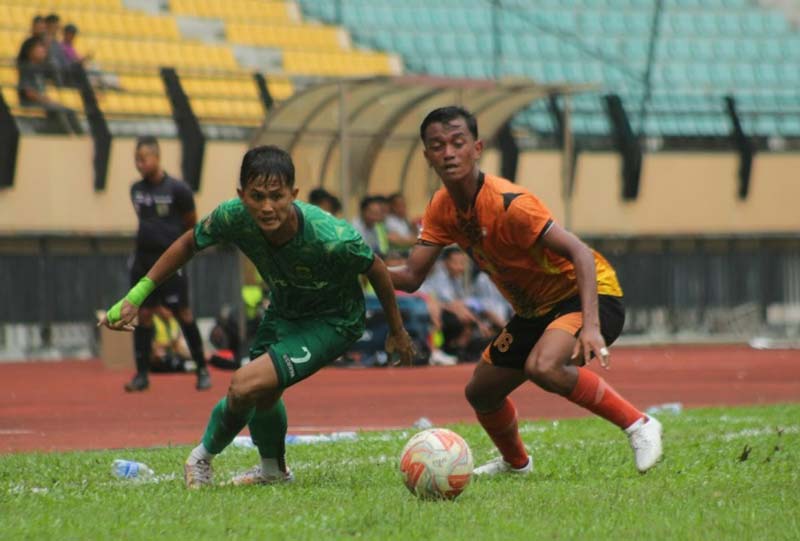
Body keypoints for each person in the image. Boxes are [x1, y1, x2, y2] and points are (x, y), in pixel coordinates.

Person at [98, 145, 415, 488]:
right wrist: (136, 296)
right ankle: (273, 471)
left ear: (293, 194)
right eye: (257, 196)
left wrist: (397, 330)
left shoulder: (331, 237)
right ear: (241, 195)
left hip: (334, 321)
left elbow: (377, 268)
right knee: (259, 392)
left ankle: (200, 458)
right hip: (284, 311)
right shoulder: (233, 216)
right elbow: (189, 243)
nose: (267, 207)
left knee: (245, 382)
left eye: (277, 196)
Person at [388, 106, 663, 475]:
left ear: (477, 148)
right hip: (536, 310)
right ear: (427, 156)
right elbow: (410, 276)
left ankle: (639, 424)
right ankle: (517, 465)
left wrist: (592, 328)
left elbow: (580, 253)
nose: (449, 152)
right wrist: (358, 264)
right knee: (481, 392)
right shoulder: (441, 208)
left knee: (544, 367)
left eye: (458, 142)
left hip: (588, 293)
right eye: (438, 146)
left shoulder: (510, 203)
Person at [122, 136, 211, 392]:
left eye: (143, 158)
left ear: (156, 157)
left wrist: (180, 251)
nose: (139, 164)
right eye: (136, 160)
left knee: (182, 313)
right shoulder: (135, 190)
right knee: (144, 314)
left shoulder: (178, 190)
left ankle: (202, 369)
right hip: (142, 261)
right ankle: (141, 374)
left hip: (170, 261)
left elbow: (191, 221)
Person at [16, 35, 82, 134]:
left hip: (43, 104)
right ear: (30, 51)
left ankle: (80, 138)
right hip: (31, 104)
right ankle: (71, 139)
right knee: (61, 112)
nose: (44, 51)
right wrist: (44, 100)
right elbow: (28, 92)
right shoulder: (27, 68)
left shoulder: (40, 69)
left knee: (69, 112)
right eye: (40, 47)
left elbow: (59, 78)